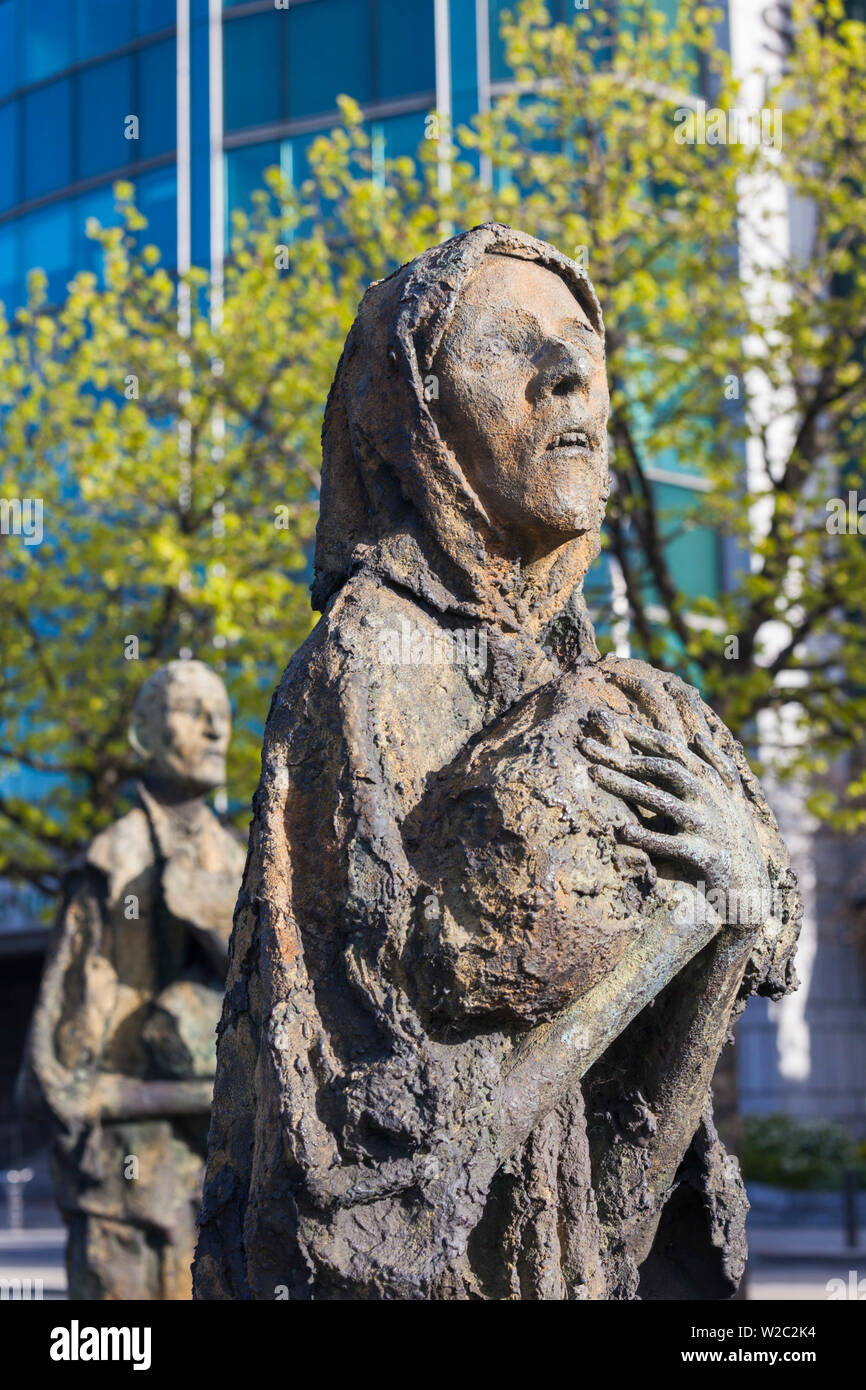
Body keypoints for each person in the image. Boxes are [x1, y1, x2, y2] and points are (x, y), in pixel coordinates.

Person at [194, 225, 801, 1301]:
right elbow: (392, 1133)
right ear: (410, 416)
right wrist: (684, 919)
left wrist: (733, 893)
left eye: (581, 347)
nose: (567, 374)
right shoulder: (369, 658)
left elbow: (623, 1160)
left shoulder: (602, 678)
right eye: (501, 348)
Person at [22, 660, 245, 1300]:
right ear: (144, 735)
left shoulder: (249, 865)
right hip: (124, 1201)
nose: (215, 730)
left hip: (223, 1193)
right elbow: (64, 1076)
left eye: (223, 714)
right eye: (190, 710)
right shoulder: (110, 865)